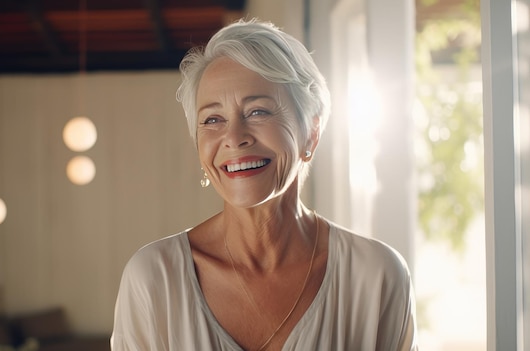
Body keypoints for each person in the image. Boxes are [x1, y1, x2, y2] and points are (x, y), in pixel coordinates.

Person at [111, 19, 418, 351]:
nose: (233, 138)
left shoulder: (377, 276)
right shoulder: (154, 279)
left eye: (258, 111)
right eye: (213, 119)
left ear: (311, 132)